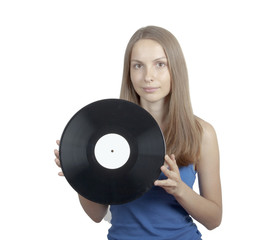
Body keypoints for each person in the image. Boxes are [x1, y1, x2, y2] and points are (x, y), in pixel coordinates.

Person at [54, 26, 222, 240]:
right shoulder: (105, 133)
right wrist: (79, 175)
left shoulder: (202, 133)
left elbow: (214, 220)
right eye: (138, 66)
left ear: (175, 69)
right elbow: (97, 215)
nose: (148, 76)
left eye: (160, 64)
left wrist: (181, 190)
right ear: (129, 72)